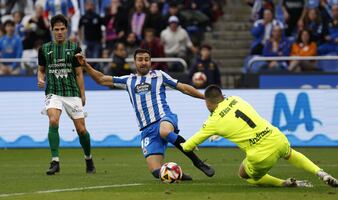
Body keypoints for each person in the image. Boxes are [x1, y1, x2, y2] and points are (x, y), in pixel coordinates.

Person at [75, 48, 215, 180]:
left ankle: (198, 162)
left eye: (146, 59)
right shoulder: (128, 80)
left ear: (150, 61)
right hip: (147, 130)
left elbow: (183, 88)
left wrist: (205, 97)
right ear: (135, 62)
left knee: (165, 131)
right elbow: (101, 79)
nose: (143, 62)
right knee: (156, 171)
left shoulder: (159, 75)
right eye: (140, 59)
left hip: (164, 118)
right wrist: (85, 65)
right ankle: (178, 174)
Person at [182, 85, 338, 188]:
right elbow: (235, 120)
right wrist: (219, 132)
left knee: (243, 173)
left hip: (260, 156)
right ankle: (320, 172)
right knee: (290, 153)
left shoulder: (212, 122)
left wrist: (202, 137)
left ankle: (284, 184)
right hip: (276, 138)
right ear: (222, 96)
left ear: (208, 103)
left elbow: (188, 146)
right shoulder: (236, 99)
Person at [37, 14, 96, 175]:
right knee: (53, 120)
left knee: (81, 130)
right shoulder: (44, 49)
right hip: (53, 92)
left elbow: (78, 74)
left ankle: (88, 158)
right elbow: (41, 70)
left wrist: (83, 95)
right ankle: (55, 161)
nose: (60, 32)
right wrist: (41, 79)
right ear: (52, 30)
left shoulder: (74, 48)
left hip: (71, 92)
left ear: (67, 30)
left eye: (62, 29)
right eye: (56, 29)